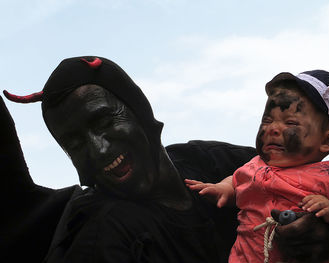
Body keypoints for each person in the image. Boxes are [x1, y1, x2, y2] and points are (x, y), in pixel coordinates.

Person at [1, 56, 256, 263]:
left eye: (103, 121)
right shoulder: (106, 236)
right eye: (75, 144)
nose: (99, 150)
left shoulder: (212, 161)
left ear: (141, 113)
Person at [186, 70, 329, 263]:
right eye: (267, 120)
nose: (273, 129)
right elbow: (237, 181)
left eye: (290, 122)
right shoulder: (255, 165)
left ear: (327, 140)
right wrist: (223, 189)